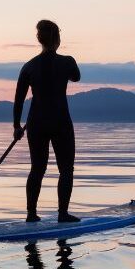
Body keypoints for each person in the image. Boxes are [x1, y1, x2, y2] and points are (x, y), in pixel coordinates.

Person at [13, 20, 81, 223]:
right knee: (66, 169)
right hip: (60, 122)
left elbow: (18, 101)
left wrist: (17, 126)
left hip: (36, 123)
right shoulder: (67, 61)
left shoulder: (28, 67)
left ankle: (31, 214)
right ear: (58, 40)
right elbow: (76, 77)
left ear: (39, 40)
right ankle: (62, 214)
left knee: (37, 168)